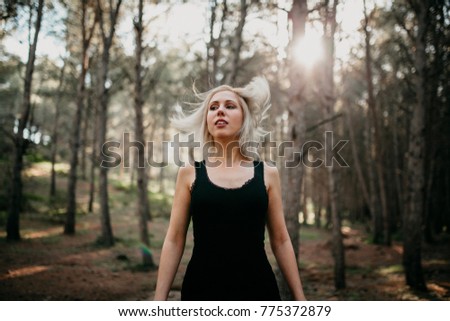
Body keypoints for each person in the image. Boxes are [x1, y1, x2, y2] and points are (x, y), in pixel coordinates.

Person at [154, 77, 306, 301]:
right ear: (207, 121)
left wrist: (300, 299)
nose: (220, 111)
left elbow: (281, 240)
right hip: (201, 291)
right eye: (213, 107)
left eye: (230, 106)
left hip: (258, 291)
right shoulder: (189, 173)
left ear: (244, 118)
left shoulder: (267, 174)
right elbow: (174, 240)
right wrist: (159, 301)